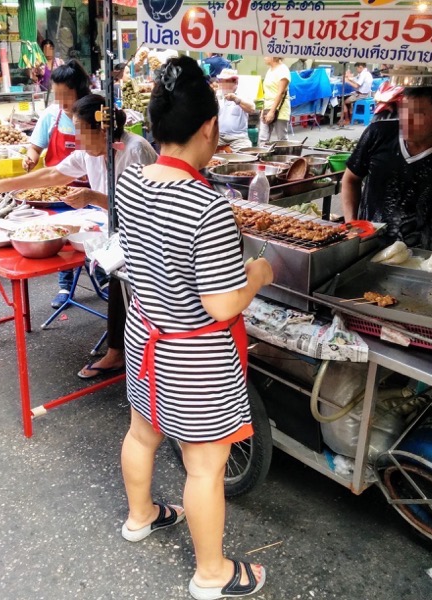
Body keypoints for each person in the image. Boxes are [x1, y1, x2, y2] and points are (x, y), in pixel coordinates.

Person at [115, 55, 272, 599]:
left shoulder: (131, 182)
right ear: (209, 128)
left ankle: (142, 517)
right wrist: (258, 274)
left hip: (145, 335)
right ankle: (212, 574)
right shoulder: (208, 205)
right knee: (205, 466)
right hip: (193, 351)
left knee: (142, 431)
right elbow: (222, 305)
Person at [0, 94, 157, 380]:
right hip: (112, 228)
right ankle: (122, 344)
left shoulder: (134, 150)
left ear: (101, 129)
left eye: (80, 131)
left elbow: (144, 206)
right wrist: (4, 185)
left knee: (119, 273)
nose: (76, 139)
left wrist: (93, 197)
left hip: (144, 232)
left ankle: (117, 353)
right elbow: (52, 175)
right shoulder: (90, 153)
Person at [341, 61, 432, 252]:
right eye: (404, 109)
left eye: (418, 114)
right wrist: (352, 224)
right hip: (365, 252)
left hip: (422, 262)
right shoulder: (378, 134)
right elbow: (350, 179)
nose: (405, 120)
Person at [23, 59, 92, 308]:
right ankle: (65, 285)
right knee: (60, 238)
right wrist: (30, 158)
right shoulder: (51, 116)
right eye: (57, 94)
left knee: (92, 237)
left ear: (80, 91)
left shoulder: (92, 113)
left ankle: (102, 275)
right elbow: (35, 147)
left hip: (89, 192)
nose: (62, 101)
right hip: (56, 192)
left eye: (67, 95)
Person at [216, 68, 256, 152]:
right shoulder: (218, 94)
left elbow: (252, 109)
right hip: (219, 136)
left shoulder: (243, 93)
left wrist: (235, 99)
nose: (222, 84)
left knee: (246, 154)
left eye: (225, 81)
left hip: (239, 138)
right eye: (220, 81)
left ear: (235, 82)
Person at [258, 56, 291, 145]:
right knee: (263, 138)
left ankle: (283, 157)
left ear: (274, 57)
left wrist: (272, 112)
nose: (264, 57)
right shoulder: (270, 70)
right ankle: (263, 157)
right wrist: (262, 109)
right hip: (266, 106)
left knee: (281, 139)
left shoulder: (283, 70)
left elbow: (280, 93)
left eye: (266, 55)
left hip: (279, 109)